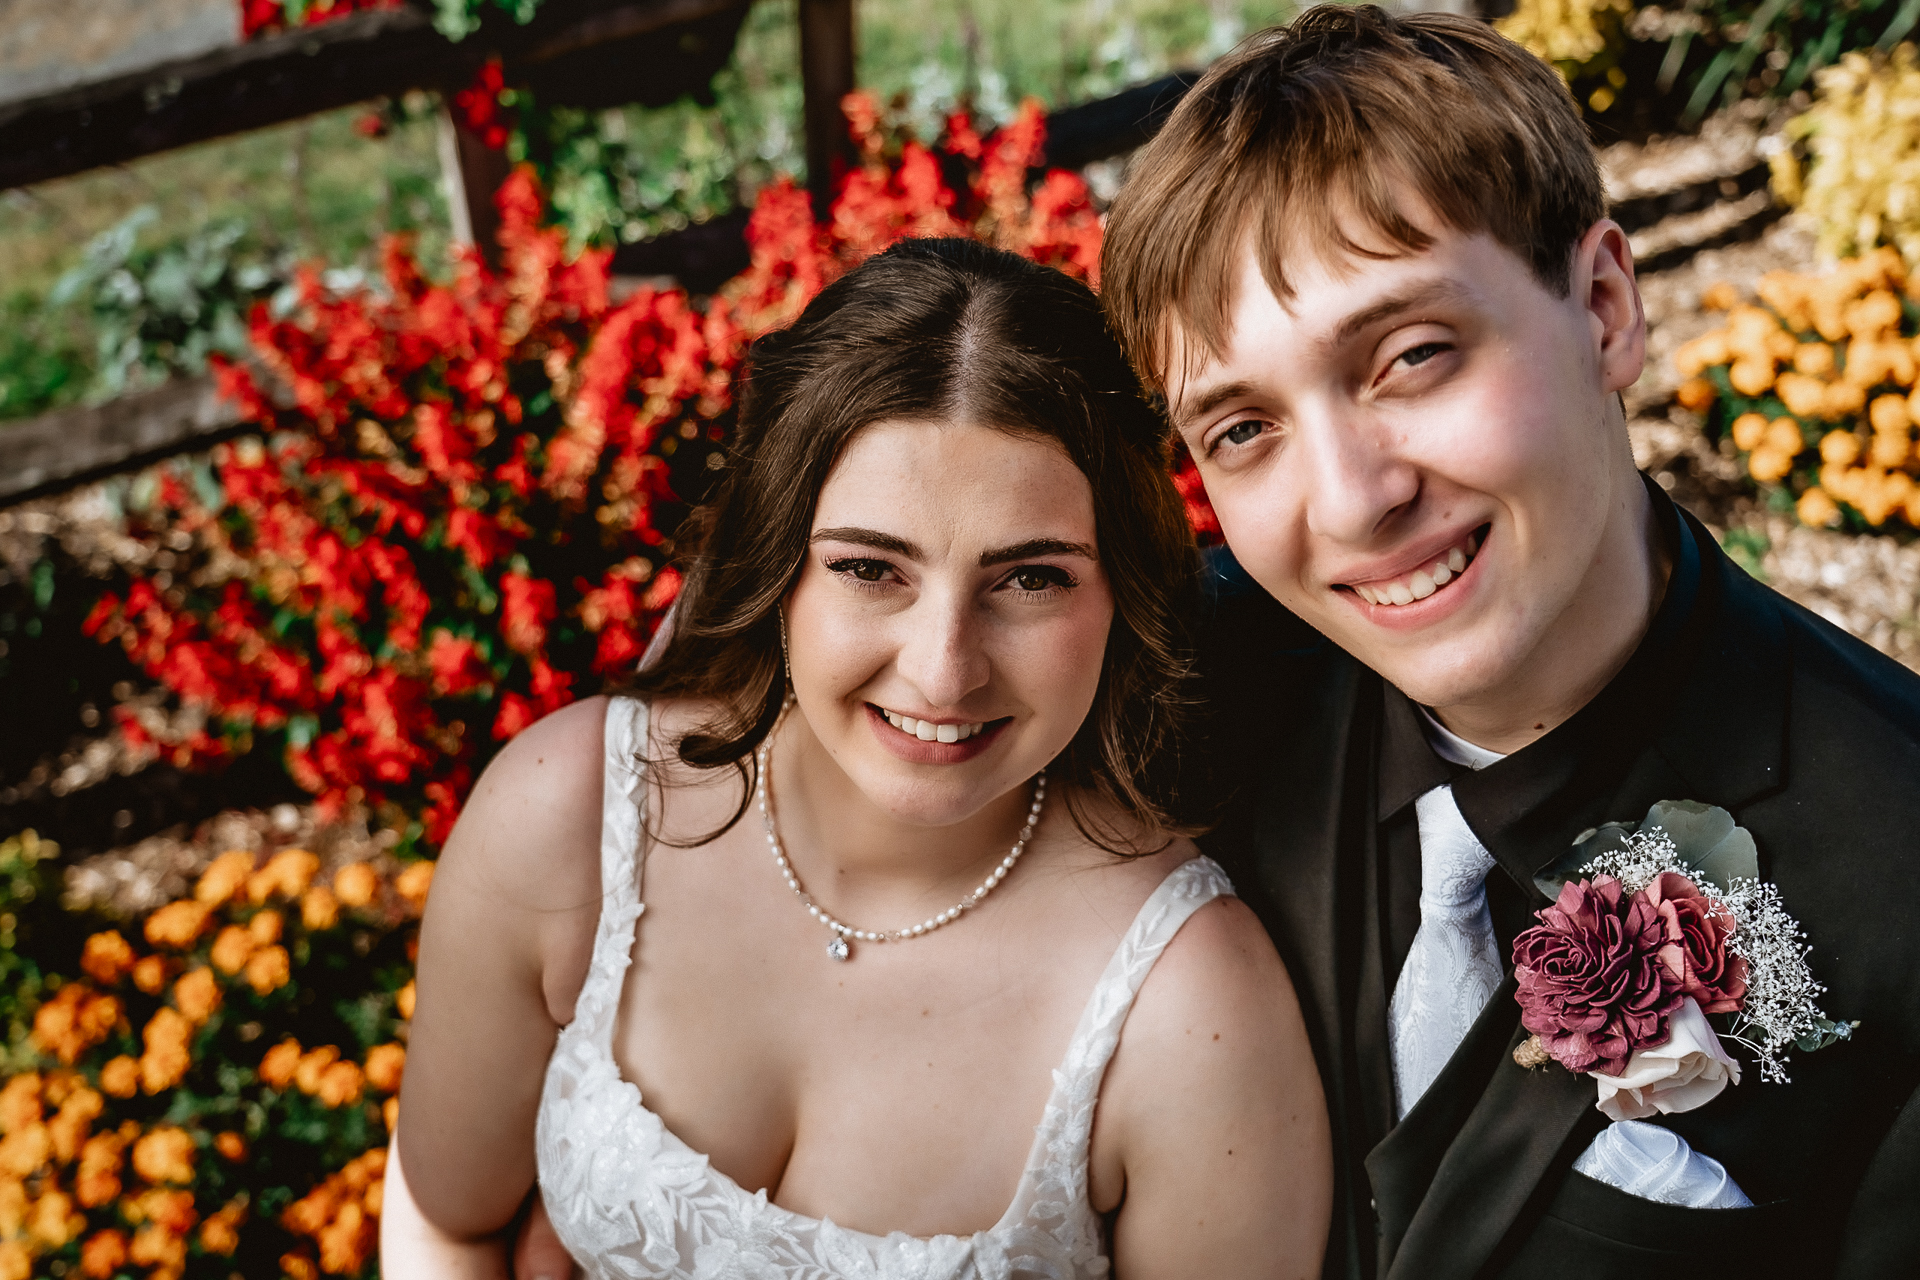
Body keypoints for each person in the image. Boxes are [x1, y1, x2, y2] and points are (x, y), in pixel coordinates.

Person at [1098, 7, 1920, 1277]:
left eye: (1413, 356)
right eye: (1244, 428)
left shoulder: (1901, 862)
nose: (1352, 498)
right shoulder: (1183, 693)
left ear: (1602, 309)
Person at [380, 237, 1333, 1279]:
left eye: (1030, 580)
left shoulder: (1191, 1009)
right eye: (871, 567)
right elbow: (448, 1222)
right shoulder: (569, 816)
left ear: (1123, 594)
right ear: (780, 563)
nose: (942, 670)